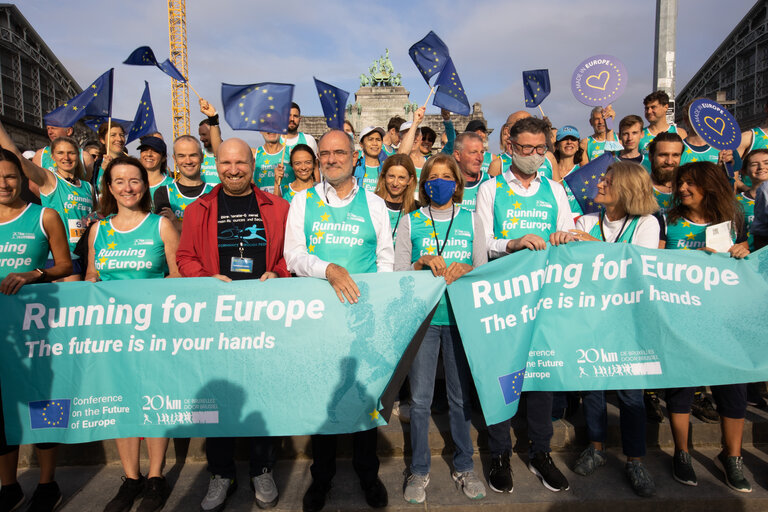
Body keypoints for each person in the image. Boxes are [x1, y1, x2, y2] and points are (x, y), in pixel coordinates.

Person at [176, 138, 289, 511]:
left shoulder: (279, 208)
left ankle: (262, 468)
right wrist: (207, 280)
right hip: (217, 321)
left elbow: (292, 257)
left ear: (252, 164)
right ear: (216, 165)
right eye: (226, 162)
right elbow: (185, 257)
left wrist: (279, 274)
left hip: (264, 319)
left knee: (262, 394)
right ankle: (220, 473)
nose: (233, 169)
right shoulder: (198, 210)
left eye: (240, 162)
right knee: (217, 396)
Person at [284, 130, 392, 512]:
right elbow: (293, 255)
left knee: (366, 397)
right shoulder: (302, 201)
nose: (331, 159)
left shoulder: (375, 204)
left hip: (362, 319)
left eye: (339, 153)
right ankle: (322, 476)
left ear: (354, 156)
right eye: (324, 154)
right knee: (324, 399)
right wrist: (327, 268)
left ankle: (368, 472)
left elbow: (385, 261)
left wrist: (376, 312)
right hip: (318, 321)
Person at [475, 117, 574, 494]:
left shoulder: (555, 189)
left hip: (545, 298)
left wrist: (565, 237)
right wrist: (512, 243)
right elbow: (483, 243)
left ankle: (540, 451)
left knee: (542, 377)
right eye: (525, 148)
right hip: (504, 298)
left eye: (539, 149)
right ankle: (499, 452)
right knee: (504, 376)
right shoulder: (491, 189)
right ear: (510, 147)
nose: (533, 156)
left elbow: (568, 234)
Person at [556, 162, 660, 497]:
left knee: (631, 393)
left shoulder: (645, 224)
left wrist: (592, 247)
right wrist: (561, 240)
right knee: (594, 385)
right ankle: (597, 447)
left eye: (607, 180)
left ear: (626, 189)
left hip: (628, 322)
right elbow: (571, 256)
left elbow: (637, 265)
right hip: (592, 318)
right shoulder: (587, 221)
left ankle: (635, 459)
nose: (599, 183)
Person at [84, 156, 180, 512]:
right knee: (121, 404)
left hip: (154, 333)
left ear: (146, 186)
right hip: (111, 336)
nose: (128, 188)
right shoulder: (99, 230)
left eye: (135, 181)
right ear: (109, 188)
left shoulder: (160, 227)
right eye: (120, 181)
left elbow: (177, 277)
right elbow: (91, 278)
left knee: (154, 402)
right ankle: (131, 478)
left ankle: (155, 476)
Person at [394, 153, 487, 504]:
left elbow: (482, 268)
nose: (440, 182)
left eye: (447, 176)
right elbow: (399, 272)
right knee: (419, 401)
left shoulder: (472, 218)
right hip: (425, 321)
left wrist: (468, 269)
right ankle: (418, 470)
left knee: (460, 398)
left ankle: (464, 465)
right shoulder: (411, 220)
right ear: (424, 183)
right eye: (433, 177)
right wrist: (420, 262)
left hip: (461, 318)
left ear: (457, 183)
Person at [659, 161, 751, 492]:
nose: (682, 188)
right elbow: (652, 264)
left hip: (724, 320)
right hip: (682, 319)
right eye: (680, 183)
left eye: (689, 183)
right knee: (681, 387)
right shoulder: (668, 222)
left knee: (733, 388)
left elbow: (748, 265)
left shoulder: (733, 219)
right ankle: (681, 454)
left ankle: (733, 457)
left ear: (709, 186)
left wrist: (744, 249)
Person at [0, 148, 72, 512]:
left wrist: (34, 274)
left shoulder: (44, 216)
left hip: (37, 330)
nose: (4, 183)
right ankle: (9, 486)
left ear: (22, 180)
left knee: (44, 402)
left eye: (10, 176)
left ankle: (48, 483)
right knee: (0, 409)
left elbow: (65, 264)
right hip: (1, 336)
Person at [0, 120, 93, 281]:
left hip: (85, 254)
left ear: (78, 155)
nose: (66, 157)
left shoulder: (87, 186)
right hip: (61, 257)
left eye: (71, 153)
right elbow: (17, 157)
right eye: (60, 153)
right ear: (53, 157)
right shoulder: (50, 179)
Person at [153, 135, 215, 232]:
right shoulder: (163, 193)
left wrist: (178, 224)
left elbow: (213, 230)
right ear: (175, 159)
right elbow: (165, 232)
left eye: (193, 155)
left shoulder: (214, 193)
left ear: (202, 158)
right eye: (181, 156)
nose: (188, 161)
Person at [489, 111, 557, 179]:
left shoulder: (548, 158)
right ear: (507, 130)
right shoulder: (498, 164)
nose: (527, 126)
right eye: (520, 123)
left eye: (531, 123)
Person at [375, 153, 417, 243]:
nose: (395, 183)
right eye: (391, 176)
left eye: (401, 178)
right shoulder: (371, 203)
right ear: (384, 176)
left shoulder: (417, 208)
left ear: (410, 180)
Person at [638, 90, 687, 155]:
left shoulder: (680, 133)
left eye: (653, 107)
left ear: (665, 107)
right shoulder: (639, 135)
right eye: (647, 108)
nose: (649, 111)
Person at [647, 132, 684, 213]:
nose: (669, 162)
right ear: (651, 157)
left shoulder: (690, 190)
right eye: (663, 155)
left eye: (675, 155)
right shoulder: (637, 189)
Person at [453, 131, 490, 211]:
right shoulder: (445, 184)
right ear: (457, 155)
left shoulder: (492, 183)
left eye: (482, 152)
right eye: (473, 152)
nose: (480, 158)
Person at [553, 125, 584, 217]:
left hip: (577, 223)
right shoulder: (549, 171)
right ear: (557, 146)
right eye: (565, 139)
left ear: (578, 146)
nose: (569, 142)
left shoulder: (583, 173)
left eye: (573, 139)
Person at [254, 130, 294, 196]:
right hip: (263, 203)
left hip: (286, 203)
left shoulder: (290, 153)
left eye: (275, 126)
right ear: (261, 130)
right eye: (267, 126)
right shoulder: (255, 154)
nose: (271, 130)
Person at [136, 136, 173, 207]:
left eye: (155, 151)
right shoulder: (132, 184)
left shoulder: (172, 185)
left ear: (163, 158)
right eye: (145, 150)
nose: (149, 154)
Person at [93, 122, 128, 192]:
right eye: (113, 135)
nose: (119, 139)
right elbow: (99, 190)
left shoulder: (130, 164)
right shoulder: (96, 165)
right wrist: (103, 171)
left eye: (121, 135)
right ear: (102, 140)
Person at [354, 126, 386, 192]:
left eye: (378, 140)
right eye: (370, 139)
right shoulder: (354, 167)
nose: (375, 143)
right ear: (361, 144)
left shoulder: (386, 168)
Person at [198, 98, 223, 184]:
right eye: (200, 135)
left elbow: (218, 152)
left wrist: (213, 118)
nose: (201, 139)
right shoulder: (198, 156)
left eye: (204, 135)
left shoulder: (228, 154)